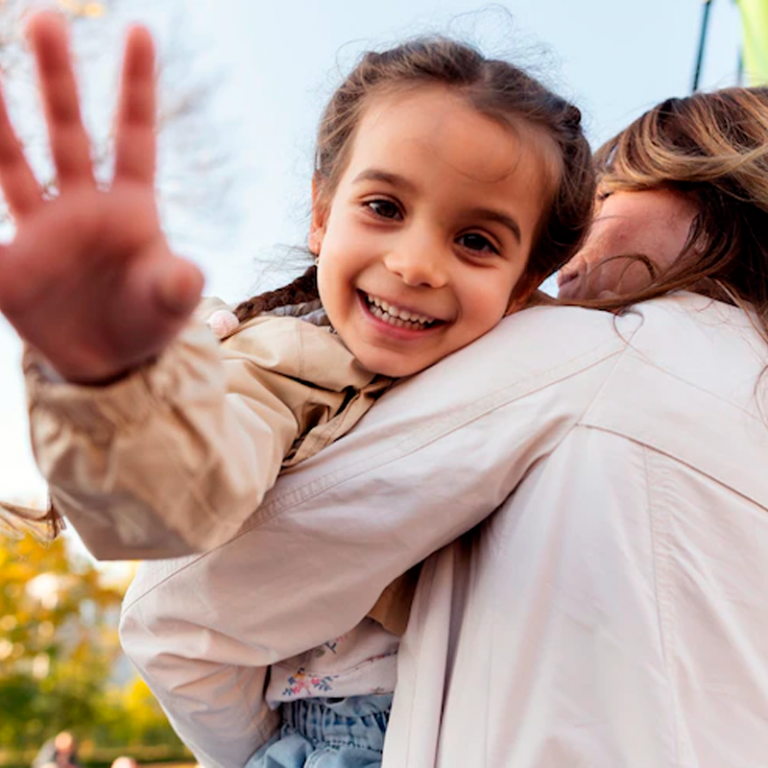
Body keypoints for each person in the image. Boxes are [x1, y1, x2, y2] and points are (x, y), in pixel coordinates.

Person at [0, 11, 594, 768]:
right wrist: (110, 372)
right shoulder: (286, 363)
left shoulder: (546, 374)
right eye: (384, 208)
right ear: (321, 215)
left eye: (475, 241)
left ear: (524, 286)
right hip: (337, 737)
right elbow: (185, 491)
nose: (416, 263)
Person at [121, 87, 768, 768]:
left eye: (604, 198)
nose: (570, 243)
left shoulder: (603, 350)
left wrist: (293, 747)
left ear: (710, 192)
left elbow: (180, 611)